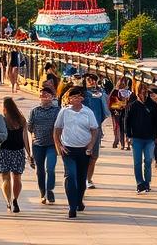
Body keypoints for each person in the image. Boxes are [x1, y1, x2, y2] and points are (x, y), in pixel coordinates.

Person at [53, 86, 98, 218]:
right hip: (68, 149)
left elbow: (94, 130)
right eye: (73, 97)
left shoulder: (88, 112)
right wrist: (59, 146)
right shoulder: (64, 112)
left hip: (84, 150)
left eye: (79, 97)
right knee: (71, 175)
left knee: (81, 177)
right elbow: (57, 129)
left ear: (82, 98)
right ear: (69, 99)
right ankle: (72, 206)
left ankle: (79, 201)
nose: (76, 99)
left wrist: (90, 146)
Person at [124, 82, 157, 193]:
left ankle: (147, 182)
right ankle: (139, 183)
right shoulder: (132, 105)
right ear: (137, 91)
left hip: (150, 138)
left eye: (145, 89)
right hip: (136, 138)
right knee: (137, 162)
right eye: (141, 89)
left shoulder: (153, 105)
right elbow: (127, 121)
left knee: (148, 160)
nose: (143, 91)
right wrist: (128, 136)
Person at [28, 87, 61, 204]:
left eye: (47, 95)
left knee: (50, 169)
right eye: (42, 95)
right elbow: (29, 127)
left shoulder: (57, 111)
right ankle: (42, 192)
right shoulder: (34, 111)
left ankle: (50, 190)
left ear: (52, 97)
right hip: (38, 144)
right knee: (39, 171)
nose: (44, 97)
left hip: (52, 144)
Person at [0, 97, 32, 213]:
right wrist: (29, 153)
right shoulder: (21, 120)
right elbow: (25, 138)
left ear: (4, 107)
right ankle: (15, 199)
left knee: (6, 178)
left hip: (4, 151)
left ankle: (8, 202)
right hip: (18, 151)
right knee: (17, 177)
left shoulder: (2, 120)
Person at [83, 73, 111, 189]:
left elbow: (105, 111)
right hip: (82, 129)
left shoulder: (100, 94)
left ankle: (88, 179)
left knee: (94, 155)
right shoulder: (81, 94)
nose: (92, 82)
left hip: (96, 129)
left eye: (94, 80)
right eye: (89, 80)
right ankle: (81, 177)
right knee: (82, 155)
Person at [108, 76, 131, 150]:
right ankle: (118, 141)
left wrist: (127, 104)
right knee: (117, 126)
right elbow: (110, 103)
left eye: (124, 83)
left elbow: (132, 102)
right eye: (121, 83)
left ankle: (127, 142)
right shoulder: (115, 92)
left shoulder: (130, 92)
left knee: (127, 126)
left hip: (127, 112)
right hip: (117, 111)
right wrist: (121, 105)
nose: (122, 85)